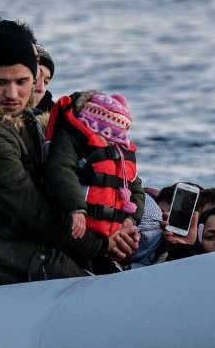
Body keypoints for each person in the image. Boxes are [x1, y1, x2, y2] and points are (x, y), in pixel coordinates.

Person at [0, 21, 136, 284]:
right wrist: (102, 245)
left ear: (35, 78)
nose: (12, 94)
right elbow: (34, 216)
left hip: (50, 256)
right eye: (0, 82)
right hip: (15, 268)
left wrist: (126, 222)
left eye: (22, 82)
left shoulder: (28, 119)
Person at [43, 90, 146, 270]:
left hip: (113, 231)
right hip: (78, 227)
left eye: (117, 137)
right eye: (109, 136)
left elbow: (136, 189)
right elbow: (61, 171)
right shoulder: (71, 142)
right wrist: (77, 208)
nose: (113, 142)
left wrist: (132, 220)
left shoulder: (122, 154)